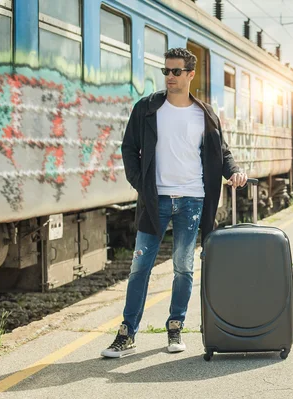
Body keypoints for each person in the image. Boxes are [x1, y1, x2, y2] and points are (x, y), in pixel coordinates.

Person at [101, 48, 248, 358]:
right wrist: (141, 185)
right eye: (166, 71)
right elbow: (129, 149)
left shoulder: (205, 113)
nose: (169, 76)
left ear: (190, 75)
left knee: (183, 267)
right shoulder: (147, 108)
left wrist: (234, 172)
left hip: (193, 201)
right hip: (156, 201)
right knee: (140, 267)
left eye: (176, 71)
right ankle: (127, 333)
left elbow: (223, 154)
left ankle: (175, 326)